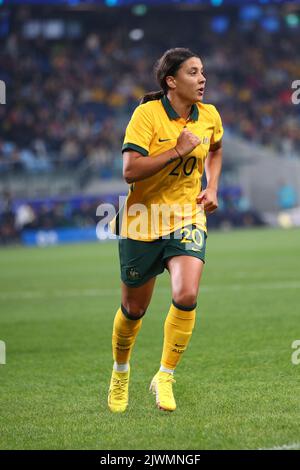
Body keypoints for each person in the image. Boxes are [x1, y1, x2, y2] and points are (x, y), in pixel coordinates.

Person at [107, 48, 223, 412]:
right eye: (193, 73)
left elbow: (216, 148)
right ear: (172, 81)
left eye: (202, 71)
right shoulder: (146, 115)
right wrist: (176, 150)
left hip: (187, 217)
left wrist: (213, 185)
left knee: (186, 294)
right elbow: (130, 171)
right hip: (142, 221)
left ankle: (165, 375)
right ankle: (121, 372)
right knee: (133, 308)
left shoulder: (210, 116)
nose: (202, 79)